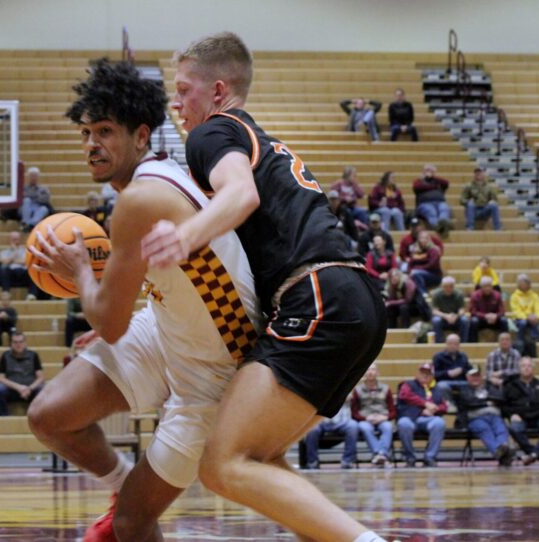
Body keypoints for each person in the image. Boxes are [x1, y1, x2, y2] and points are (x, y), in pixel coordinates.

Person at [142, 33, 388, 542]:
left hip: (315, 296)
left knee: (222, 464)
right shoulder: (261, 140)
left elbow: (241, 194)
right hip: (351, 296)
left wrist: (183, 235)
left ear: (216, 90)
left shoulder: (212, 133)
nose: (176, 102)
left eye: (184, 89)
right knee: (261, 457)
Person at [25, 60, 263, 541]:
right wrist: (113, 303)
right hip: (167, 326)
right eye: (87, 132)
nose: (93, 144)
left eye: (107, 131)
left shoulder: (141, 198)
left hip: (218, 366)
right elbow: (171, 283)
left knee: (133, 524)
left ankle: (126, 501)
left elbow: (108, 326)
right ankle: (119, 486)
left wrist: (78, 274)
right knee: (48, 415)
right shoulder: (153, 180)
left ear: (141, 136)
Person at [502, 357, 539, 465]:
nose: (526, 368)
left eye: (529, 366)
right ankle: (538, 454)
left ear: (533, 368)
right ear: (519, 369)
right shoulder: (510, 386)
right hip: (520, 417)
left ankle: (533, 455)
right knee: (514, 428)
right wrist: (511, 414)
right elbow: (503, 406)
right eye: (523, 366)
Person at [457, 367, 514, 466]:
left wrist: (481, 401)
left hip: (494, 416)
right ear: (467, 378)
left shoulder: (490, 386)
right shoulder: (464, 390)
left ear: (482, 377)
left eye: (477, 376)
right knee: (484, 428)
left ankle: (502, 448)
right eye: (473, 376)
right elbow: (469, 402)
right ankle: (500, 451)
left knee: (501, 428)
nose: (475, 378)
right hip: (475, 418)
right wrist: (487, 403)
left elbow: (500, 398)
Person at [396, 363, 447, 468]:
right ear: (417, 374)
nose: (425, 375)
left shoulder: (436, 389)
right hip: (409, 417)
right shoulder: (408, 384)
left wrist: (434, 409)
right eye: (422, 373)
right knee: (403, 424)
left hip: (429, 419)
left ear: (432, 376)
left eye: (428, 373)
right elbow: (405, 395)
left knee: (439, 423)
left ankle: (430, 457)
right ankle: (410, 457)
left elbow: (444, 406)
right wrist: (424, 405)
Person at [0, 332, 45, 416]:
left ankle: (36, 416)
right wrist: (19, 388)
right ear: (11, 344)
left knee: (44, 389)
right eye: (15, 342)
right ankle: (4, 417)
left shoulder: (33, 355)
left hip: (30, 391)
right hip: (12, 390)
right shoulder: (5, 355)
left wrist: (29, 388)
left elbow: (41, 377)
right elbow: (0, 378)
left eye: (21, 342)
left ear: (25, 343)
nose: (18, 345)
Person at [351, 364, 395, 466]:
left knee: (388, 427)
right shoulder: (357, 390)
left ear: (378, 373)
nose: (370, 372)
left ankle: (380, 455)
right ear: (364, 373)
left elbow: (393, 411)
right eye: (368, 369)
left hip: (382, 418)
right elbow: (354, 413)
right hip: (365, 419)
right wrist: (366, 418)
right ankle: (380, 454)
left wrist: (385, 417)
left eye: (373, 369)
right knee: (364, 427)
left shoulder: (386, 389)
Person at [303, 397, 359, 470]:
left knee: (353, 426)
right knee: (312, 429)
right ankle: (312, 461)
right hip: (320, 420)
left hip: (341, 421)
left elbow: (351, 397)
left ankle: (347, 461)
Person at [0, 231, 42, 301]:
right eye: (14, 239)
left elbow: (25, 262)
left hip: (23, 274)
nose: (16, 241)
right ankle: (6, 292)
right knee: (3, 269)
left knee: (32, 269)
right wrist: (15, 251)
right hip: (11, 275)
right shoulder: (4, 252)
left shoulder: (25, 251)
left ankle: (32, 294)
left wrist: (11, 261)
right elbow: (4, 262)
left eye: (17, 239)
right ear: (10, 240)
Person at [432, 333, 473, 403]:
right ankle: (448, 404)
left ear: (459, 345)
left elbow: (469, 370)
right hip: (445, 381)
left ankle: (467, 405)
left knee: (472, 384)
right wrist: (448, 373)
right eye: (450, 343)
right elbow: (434, 374)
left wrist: (462, 370)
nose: (453, 346)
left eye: (455, 344)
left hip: (461, 381)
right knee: (442, 386)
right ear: (446, 344)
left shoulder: (463, 356)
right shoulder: (438, 356)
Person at [412, 164, 452, 235]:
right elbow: (416, 187)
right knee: (431, 211)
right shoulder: (419, 181)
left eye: (431, 170)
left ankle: (442, 223)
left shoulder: (437, 181)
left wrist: (434, 177)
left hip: (440, 202)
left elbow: (446, 183)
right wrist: (433, 186)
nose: (429, 172)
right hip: (425, 204)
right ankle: (438, 226)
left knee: (444, 208)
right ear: (423, 172)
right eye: (427, 170)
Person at [510, 273, 539, 353]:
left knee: (536, 321)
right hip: (519, 319)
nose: (523, 285)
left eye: (525, 283)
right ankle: (519, 339)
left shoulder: (534, 295)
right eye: (521, 283)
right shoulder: (514, 296)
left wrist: (537, 316)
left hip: (533, 318)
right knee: (523, 323)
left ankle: (535, 337)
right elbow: (516, 311)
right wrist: (527, 317)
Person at [430, 276, 470, 343]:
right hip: (442, 318)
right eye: (445, 286)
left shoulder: (459, 294)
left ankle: (463, 343)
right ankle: (439, 343)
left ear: (454, 286)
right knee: (436, 321)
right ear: (442, 286)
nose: (448, 288)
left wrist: (456, 316)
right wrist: (446, 316)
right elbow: (435, 311)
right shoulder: (436, 294)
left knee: (465, 320)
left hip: (455, 318)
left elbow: (462, 310)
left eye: (450, 286)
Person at [20, 166, 52, 231]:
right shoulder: (23, 188)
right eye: (32, 176)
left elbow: (45, 199)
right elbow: (21, 198)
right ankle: (25, 222)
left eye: (35, 175)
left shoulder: (43, 189)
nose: (33, 177)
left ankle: (31, 224)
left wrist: (32, 196)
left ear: (38, 177)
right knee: (26, 200)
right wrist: (36, 196)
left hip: (37, 207)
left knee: (44, 209)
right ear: (29, 177)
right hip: (25, 209)